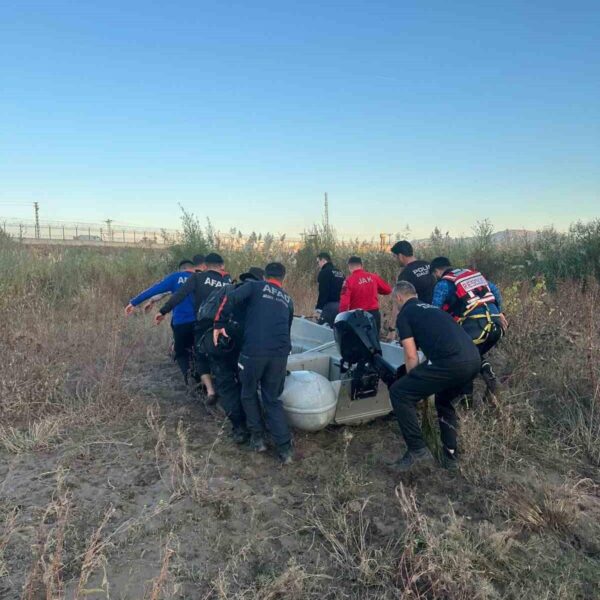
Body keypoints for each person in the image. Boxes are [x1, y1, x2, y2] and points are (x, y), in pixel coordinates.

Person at [388, 281, 481, 471]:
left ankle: (417, 451)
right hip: (473, 360)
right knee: (444, 401)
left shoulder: (405, 314)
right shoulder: (433, 309)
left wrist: (414, 387)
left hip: (452, 363)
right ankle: (450, 456)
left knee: (399, 392)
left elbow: (411, 354)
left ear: (398, 297)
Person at [213, 262, 294, 464]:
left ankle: (257, 439)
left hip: (254, 352)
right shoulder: (288, 299)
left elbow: (229, 297)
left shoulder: (255, 286)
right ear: (283, 278)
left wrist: (218, 324)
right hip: (280, 353)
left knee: (248, 393)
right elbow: (288, 326)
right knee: (272, 398)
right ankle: (285, 450)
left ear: (265, 276)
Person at [196, 267, 265, 444]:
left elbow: (207, 315)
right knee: (247, 386)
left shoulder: (229, 289)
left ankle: (239, 429)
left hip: (221, 345)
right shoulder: (260, 295)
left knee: (226, 386)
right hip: (245, 348)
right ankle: (255, 428)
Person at [156, 253, 232, 403]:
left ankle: (210, 391)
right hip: (223, 325)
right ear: (222, 265)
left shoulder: (198, 278)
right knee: (222, 356)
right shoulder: (228, 282)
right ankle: (226, 390)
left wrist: (163, 310)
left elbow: (180, 295)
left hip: (202, 323)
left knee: (200, 355)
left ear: (205, 265)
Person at [429, 257, 507, 392]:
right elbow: (495, 291)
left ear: (436, 271)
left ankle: (466, 403)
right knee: (473, 354)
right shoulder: (471, 276)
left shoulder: (443, 284)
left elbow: (435, 311)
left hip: (477, 327)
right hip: (497, 326)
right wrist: (499, 313)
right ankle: (489, 381)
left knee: (462, 360)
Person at [125, 259, 197, 384]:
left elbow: (157, 289)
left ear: (181, 269)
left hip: (181, 323)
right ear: (193, 268)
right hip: (201, 322)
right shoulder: (201, 278)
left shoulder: (175, 277)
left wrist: (133, 303)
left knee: (181, 353)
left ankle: (188, 378)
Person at [338, 256, 392, 333]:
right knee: (374, 341)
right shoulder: (373, 277)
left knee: (360, 342)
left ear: (349, 267)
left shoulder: (348, 281)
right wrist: (375, 289)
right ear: (362, 265)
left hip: (358, 316)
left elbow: (344, 303)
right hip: (374, 315)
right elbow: (388, 290)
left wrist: (341, 318)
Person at [313, 252, 345, 326]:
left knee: (322, 331)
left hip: (329, 307)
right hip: (341, 307)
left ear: (323, 260)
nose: (318, 265)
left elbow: (323, 292)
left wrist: (318, 309)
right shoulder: (340, 273)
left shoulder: (324, 272)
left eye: (318, 262)